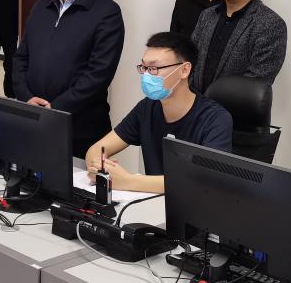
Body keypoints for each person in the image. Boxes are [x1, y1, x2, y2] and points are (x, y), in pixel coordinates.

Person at [13, 0, 124, 159]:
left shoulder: (106, 12)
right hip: (35, 119)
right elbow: (21, 58)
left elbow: (98, 74)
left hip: (81, 128)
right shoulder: (41, 6)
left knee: (77, 181)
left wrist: (55, 108)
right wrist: (26, 97)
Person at [85, 32, 232, 193]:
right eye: (144, 68)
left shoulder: (215, 118)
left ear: (184, 70)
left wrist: (128, 181)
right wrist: (99, 166)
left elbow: (208, 181)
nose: (146, 75)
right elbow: (97, 149)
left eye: (154, 68)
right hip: (152, 202)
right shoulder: (147, 107)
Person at [191, 0, 287, 94]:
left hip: (232, 107)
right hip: (194, 103)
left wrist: (209, 106)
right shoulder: (207, 15)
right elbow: (190, 59)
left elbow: (255, 81)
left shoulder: (270, 24)